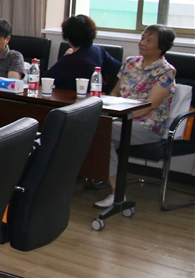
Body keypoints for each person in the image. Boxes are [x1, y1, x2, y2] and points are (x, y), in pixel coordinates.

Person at [95, 24, 177, 208]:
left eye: (149, 40)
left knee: (101, 132)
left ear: (161, 47)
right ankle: (117, 191)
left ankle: (117, 194)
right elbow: (115, 93)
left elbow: (150, 106)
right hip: (119, 119)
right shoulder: (130, 62)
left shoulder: (166, 71)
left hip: (147, 125)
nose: (143, 43)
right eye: (142, 38)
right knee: (98, 132)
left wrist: (119, 117)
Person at [45, 15, 121, 91]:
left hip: (69, 98)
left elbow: (45, 79)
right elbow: (122, 71)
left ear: (68, 38)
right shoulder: (98, 50)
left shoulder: (69, 60)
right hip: (93, 97)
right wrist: (114, 93)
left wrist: (63, 58)